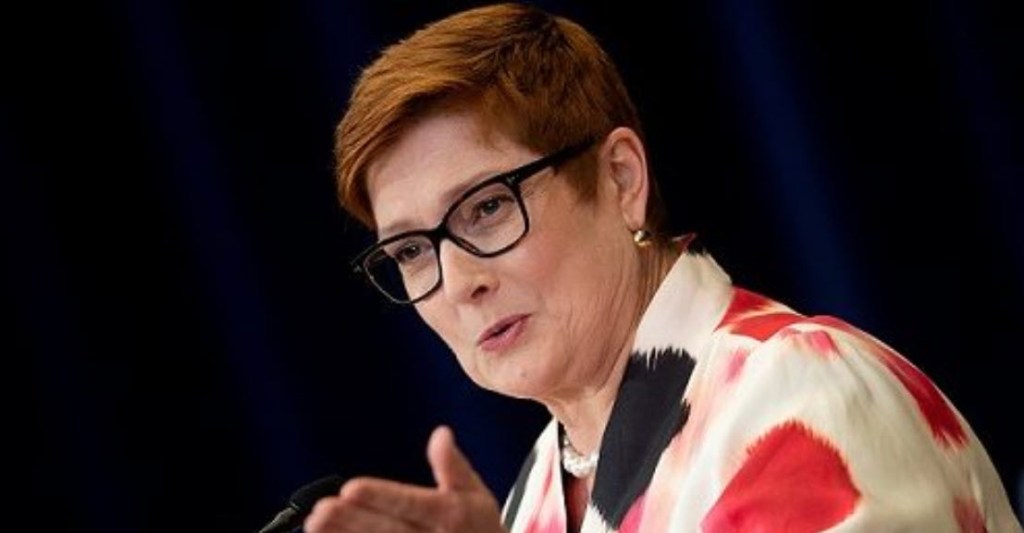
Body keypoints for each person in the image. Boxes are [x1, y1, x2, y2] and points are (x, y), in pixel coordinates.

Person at [306, 3, 1022, 532]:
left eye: (487, 207)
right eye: (411, 250)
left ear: (620, 178)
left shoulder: (794, 396)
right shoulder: (538, 497)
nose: (460, 282)